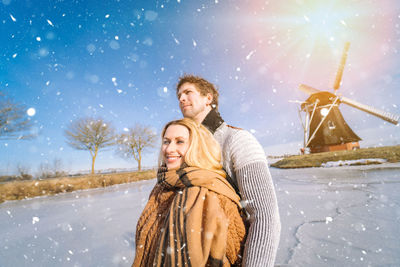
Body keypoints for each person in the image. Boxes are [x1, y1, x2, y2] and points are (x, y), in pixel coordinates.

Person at [176, 74, 281, 267]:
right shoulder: (184, 150)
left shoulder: (238, 140)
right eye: (179, 95)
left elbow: (265, 216)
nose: (181, 99)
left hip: (231, 257)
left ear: (209, 98)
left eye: (188, 92)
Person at [133, 118, 247, 267]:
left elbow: (234, 256)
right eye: (166, 141)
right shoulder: (161, 187)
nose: (169, 149)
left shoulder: (214, 192)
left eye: (180, 141)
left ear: (197, 147)